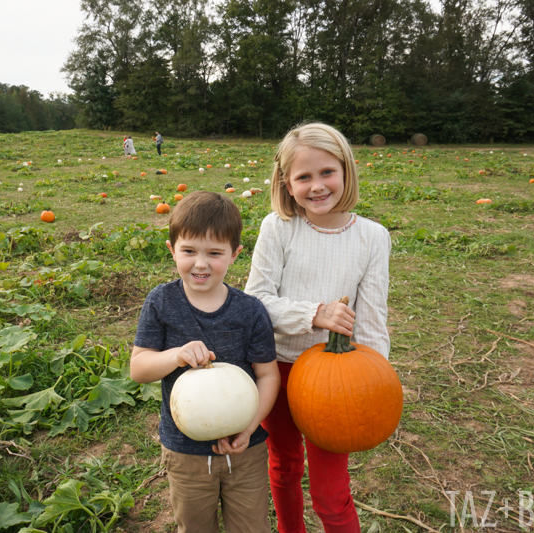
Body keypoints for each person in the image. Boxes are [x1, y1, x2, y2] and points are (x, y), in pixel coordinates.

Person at [245, 122, 391, 533]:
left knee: (331, 491)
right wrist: (314, 313)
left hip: (337, 383)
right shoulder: (278, 228)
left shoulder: (373, 238)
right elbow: (255, 300)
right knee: (284, 466)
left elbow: (374, 317)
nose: (317, 186)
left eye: (327, 172)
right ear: (287, 184)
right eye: (303, 177)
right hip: (277, 369)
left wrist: (374, 383)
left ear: (345, 170)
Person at [131, 191, 281, 533]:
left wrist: (250, 425)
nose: (201, 264)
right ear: (172, 250)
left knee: (251, 527)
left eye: (214, 253)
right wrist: (175, 355)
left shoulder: (249, 310)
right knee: (195, 527)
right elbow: (138, 368)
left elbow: (268, 376)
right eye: (189, 251)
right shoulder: (161, 302)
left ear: (235, 254)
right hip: (186, 454)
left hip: (247, 450)